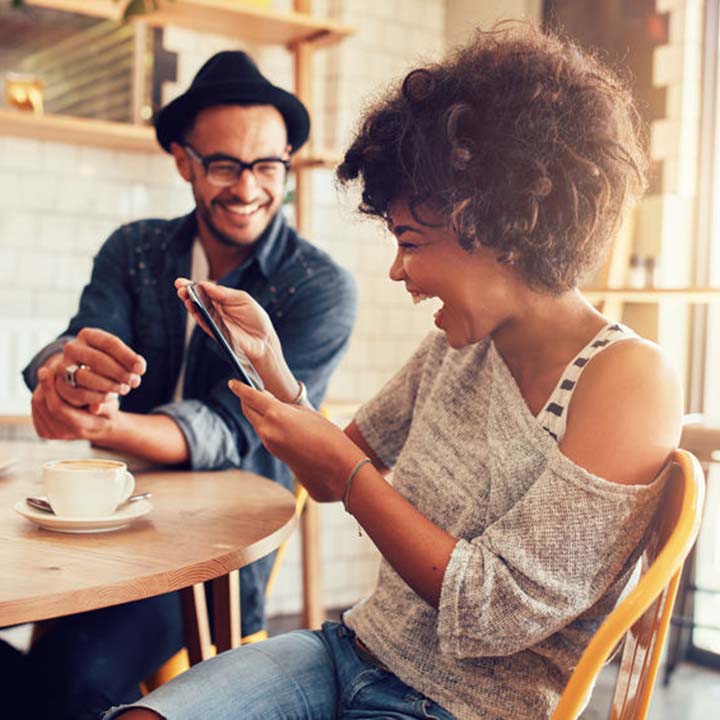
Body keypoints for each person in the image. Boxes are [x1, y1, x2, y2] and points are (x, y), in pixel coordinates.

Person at [104, 25, 682, 720]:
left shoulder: (627, 381)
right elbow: (327, 474)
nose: (398, 270)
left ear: (488, 225)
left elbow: (492, 610)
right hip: (347, 651)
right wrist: (275, 370)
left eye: (409, 241)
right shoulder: (461, 343)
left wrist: (353, 479)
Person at [19, 51, 356, 719]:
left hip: (216, 553)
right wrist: (67, 377)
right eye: (224, 164)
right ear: (184, 161)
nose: (249, 187)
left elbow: (230, 430)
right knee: (42, 678)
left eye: (267, 165)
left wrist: (102, 426)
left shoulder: (318, 286)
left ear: (287, 162)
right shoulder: (134, 249)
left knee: (70, 679)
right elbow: (80, 342)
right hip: (104, 524)